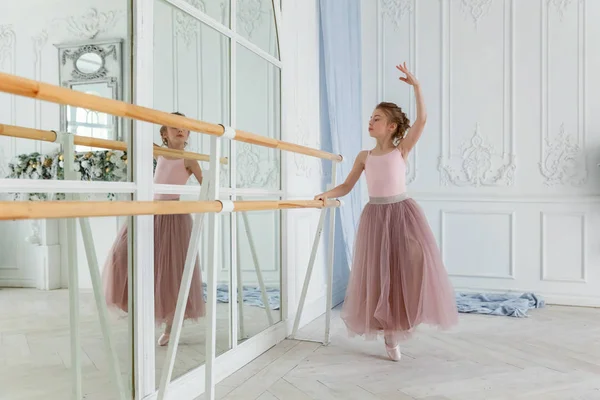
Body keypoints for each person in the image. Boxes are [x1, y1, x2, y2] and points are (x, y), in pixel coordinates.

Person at [315, 63, 458, 361]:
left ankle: (406, 316)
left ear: (391, 126)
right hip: (376, 217)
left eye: (376, 118)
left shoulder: (400, 150)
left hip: (402, 213)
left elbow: (423, 119)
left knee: (414, 258)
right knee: (381, 274)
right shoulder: (364, 156)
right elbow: (346, 185)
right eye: (370, 118)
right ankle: (390, 337)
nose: (371, 121)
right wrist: (325, 194)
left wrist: (417, 87)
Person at [103, 112, 206, 346]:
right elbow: (136, 135)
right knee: (121, 254)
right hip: (151, 212)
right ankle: (133, 304)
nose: (180, 130)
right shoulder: (159, 151)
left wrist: (204, 202)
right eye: (173, 127)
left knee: (171, 272)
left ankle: (171, 327)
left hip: (173, 217)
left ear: (189, 133)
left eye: (184, 127)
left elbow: (206, 183)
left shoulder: (189, 158)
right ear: (164, 133)